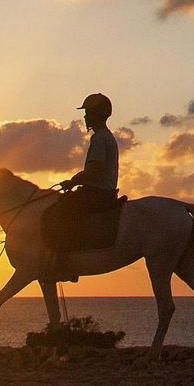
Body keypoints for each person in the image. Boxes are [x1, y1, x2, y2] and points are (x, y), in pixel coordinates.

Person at [45, 92, 121, 281]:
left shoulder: (100, 138)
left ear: (97, 114)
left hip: (97, 192)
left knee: (60, 212)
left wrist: (73, 181)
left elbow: (94, 170)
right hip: (103, 190)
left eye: (88, 112)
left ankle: (64, 265)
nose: (85, 116)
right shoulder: (107, 137)